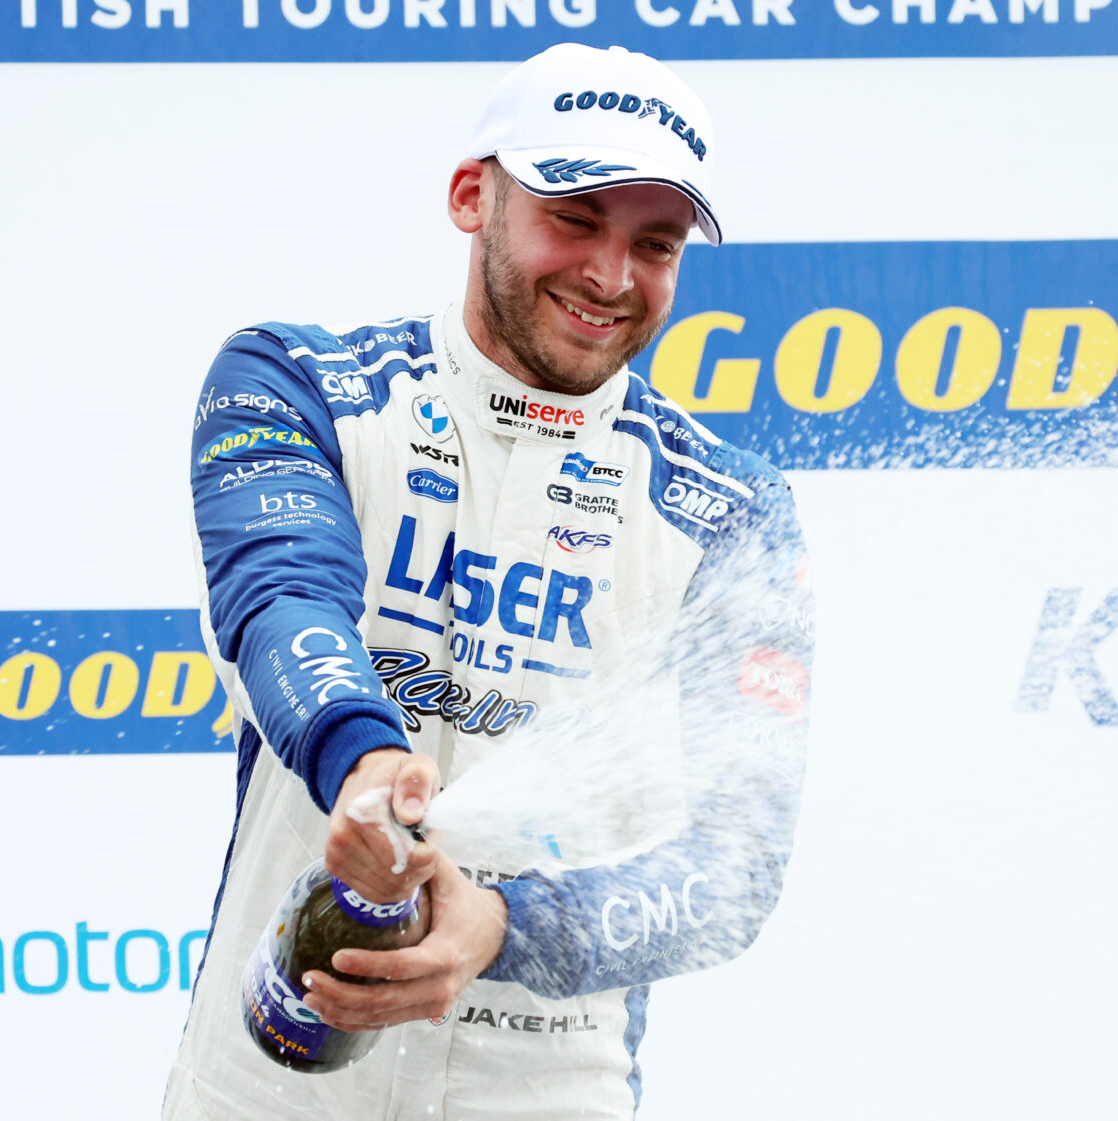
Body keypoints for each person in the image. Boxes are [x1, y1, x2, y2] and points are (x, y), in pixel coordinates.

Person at [164, 42, 812, 1120]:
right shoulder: (297, 384)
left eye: (653, 244)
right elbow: (283, 595)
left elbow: (732, 874)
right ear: (474, 195)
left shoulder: (730, 509)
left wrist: (502, 927)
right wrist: (366, 763)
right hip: (263, 1092)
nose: (610, 278)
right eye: (574, 219)